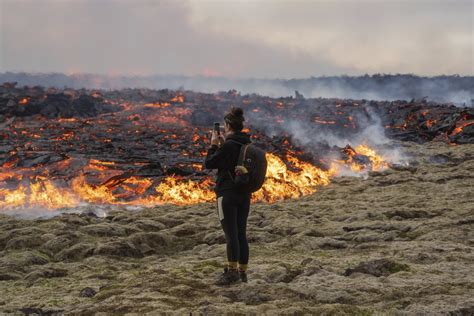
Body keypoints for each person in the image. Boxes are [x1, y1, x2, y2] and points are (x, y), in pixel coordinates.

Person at [204, 107, 252, 285]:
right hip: (244, 195)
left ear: (228, 125)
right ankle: (243, 273)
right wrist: (224, 145)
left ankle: (231, 273)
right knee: (241, 234)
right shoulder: (246, 144)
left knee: (230, 235)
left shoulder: (230, 145)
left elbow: (209, 163)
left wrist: (214, 145)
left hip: (227, 194)